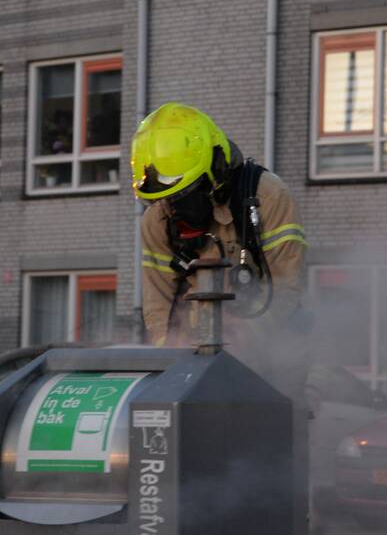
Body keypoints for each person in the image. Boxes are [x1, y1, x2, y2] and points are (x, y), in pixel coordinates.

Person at [131, 102, 309, 394]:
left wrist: (236, 347)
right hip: (194, 361)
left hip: (274, 361)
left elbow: (286, 286)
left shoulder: (268, 196)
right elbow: (158, 306)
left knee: (273, 430)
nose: (175, 209)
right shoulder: (157, 219)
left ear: (215, 169)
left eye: (184, 195)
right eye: (167, 199)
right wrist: (171, 361)